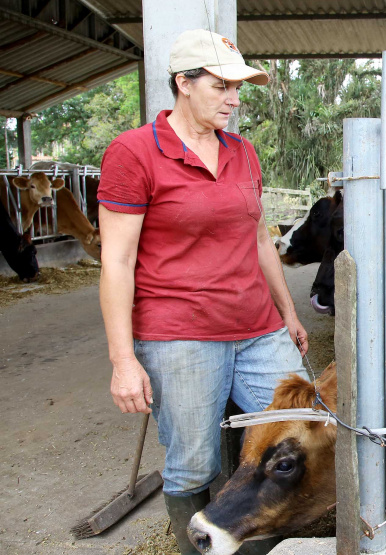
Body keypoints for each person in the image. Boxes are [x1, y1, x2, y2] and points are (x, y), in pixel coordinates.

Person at [97, 29, 308, 554]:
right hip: (180, 334)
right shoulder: (134, 153)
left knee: (299, 431)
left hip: (258, 328)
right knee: (193, 460)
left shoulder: (242, 151)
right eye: (221, 87)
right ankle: (197, 544)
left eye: (239, 88)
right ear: (183, 84)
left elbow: (259, 238)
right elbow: (117, 262)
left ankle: (254, 540)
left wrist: (288, 312)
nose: (234, 100)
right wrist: (123, 360)